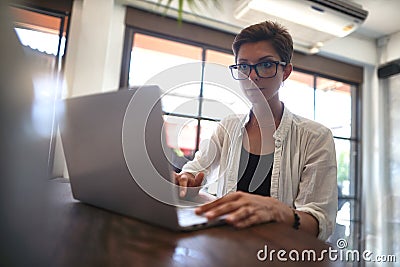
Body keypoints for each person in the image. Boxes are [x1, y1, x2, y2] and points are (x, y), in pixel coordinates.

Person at [173, 20, 338, 241]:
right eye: (243, 66)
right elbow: (195, 170)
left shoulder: (315, 137)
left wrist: (277, 211)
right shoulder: (228, 127)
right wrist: (187, 179)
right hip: (225, 247)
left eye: (266, 64)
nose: (252, 76)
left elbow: (320, 223)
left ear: (286, 71)